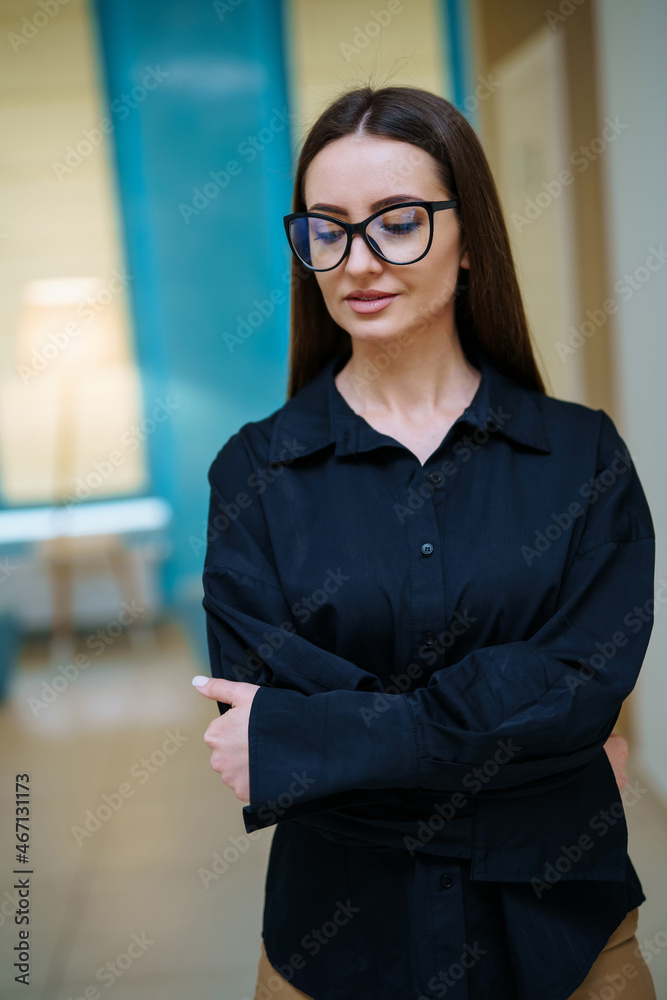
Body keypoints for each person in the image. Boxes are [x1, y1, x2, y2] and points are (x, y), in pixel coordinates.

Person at [192, 85, 657, 1000]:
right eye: (326, 229)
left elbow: (581, 683)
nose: (357, 260)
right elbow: (256, 713)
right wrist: (527, 745)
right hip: (335, 945)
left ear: (470, 236)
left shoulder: (579, 454)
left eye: (397, 222)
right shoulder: (251, 473)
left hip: (563, 936)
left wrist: (322, 740)